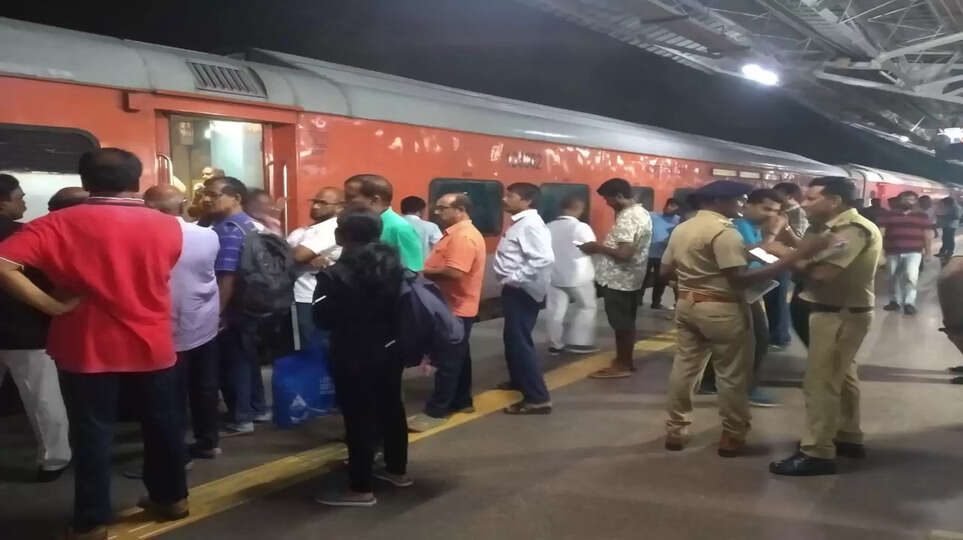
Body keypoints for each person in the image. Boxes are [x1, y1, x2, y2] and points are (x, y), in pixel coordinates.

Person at [0, 149, 188, 540]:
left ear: (85, 181)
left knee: (92, 435)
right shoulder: (167, 225)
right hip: (153, 343)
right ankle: (171, 500)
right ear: (136, 182)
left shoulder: (55, 224)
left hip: (85, 346)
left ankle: (91, 521)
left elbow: (3, 263)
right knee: (163, 426)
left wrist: (52, 306)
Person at [660, 180, 829, 457]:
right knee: (732, 375)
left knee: (685, 369)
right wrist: (784, 263)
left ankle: (676, 430)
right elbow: (738, 279)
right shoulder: (724, 232)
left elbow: (665, 272)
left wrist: (696, 281)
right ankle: (732, 434)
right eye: (737, 200)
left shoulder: (682, 228)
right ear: (717, 201)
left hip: (687, 306)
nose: (741, 205)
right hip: (722, 310)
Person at [770, 177, 881, 476]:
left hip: (838, 314)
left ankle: (817, 452)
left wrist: (785, 257)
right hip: (838, 312)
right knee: (842, 377)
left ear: (835, 201)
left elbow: (823, 274)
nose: (803, 204)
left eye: (811, 199)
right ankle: (847, 436)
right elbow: (813, 253)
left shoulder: (852, 230)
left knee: (820, 383)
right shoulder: (829, 229)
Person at [312, 206, 409, 507]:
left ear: (342, 235)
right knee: (392, 408)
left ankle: (360, 488)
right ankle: (397, 471)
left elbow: (322, 318)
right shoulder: (395, 266)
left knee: (358, 418)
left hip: (352, 352)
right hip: (390, 349)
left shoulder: (334, 274)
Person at [0, 174, 71, 483]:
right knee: (42, 399)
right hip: (25, 329)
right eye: (19, 197)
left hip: (19, 329)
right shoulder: (26, 235)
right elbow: (51, 280)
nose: (24, 202)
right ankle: (53, 460)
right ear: (3, 202)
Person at [144, 185, 222, 460]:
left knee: (169, 394)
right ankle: (208, 442)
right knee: (205, 386)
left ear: (150, 207)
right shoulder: (208, 235)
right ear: (182, 204)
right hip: (204, 321)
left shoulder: (146, 237)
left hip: (165, 326)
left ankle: (175, 454)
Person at [408, 193, 486, 432]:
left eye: (442, 208)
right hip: (453, 306)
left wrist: (421, 273)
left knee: (447, 360)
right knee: (459, 356)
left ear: (460, 209)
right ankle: (462, 401)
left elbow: (454, 273)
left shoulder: (463, 236)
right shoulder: (455, 233)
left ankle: (436, 411)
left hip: (454, 308)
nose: (436, 213)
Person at [201, 176, 270, 436]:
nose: (207, 199)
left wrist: (217, 313)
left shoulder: (229, 229)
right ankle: (258, 408)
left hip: (234, 305)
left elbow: (226, 276)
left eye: (214, 194)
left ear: (236, 198)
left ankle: (241, 418)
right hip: (253, 302)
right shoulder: (253, 224)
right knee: (247, 357)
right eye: (204, 194)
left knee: (234, 362)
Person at [578, 178, 652, 379]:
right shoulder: (641, 212)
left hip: (620, 280)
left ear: (619, 196)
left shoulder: (629, 217)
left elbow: (624, 253)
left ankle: (623, 364)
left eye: (608, 198)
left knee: (621, 324)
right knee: (626, 322)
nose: (606, 203)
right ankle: (624, 360)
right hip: (631, 279)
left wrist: (595, 247)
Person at [492, 182, 555, 414]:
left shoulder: (530, 225)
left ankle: (538, 398)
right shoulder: (522, 223)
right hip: (517, 289)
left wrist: (515, 277)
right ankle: (519, 380)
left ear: (527, 201)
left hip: (522, 291)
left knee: (520, 343)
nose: (505, 199)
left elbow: (544, 258)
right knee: (512, 339)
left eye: (511, 196)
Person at [289, 187, 344, 349]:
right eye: (314, 201)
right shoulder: (308, 230)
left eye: (323, 203)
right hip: (299, 295)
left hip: (312, 297)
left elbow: (297, 255)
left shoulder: (331, 228)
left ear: (340, 207)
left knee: (314, 346)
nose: (315, 206)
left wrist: (299, 256)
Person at [545, 194, 598, 355]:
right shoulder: (580, 227)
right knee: (587, 306)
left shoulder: (548, 226)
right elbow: (591, 247)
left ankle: (555, 345)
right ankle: (579, 342)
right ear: (578, 209)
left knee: (555, 310)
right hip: (578, 276)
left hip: (554, 275)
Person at [348, 174, 423, 271]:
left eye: (350, 197)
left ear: (374, 200)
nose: (345, 202)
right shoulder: (358, 224)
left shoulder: (400, 228)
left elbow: (413, 272)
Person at [879, 190, 932, 315]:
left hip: (914, 252)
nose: (909, 201)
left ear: (916, 201)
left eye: (912, 199)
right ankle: (894, 301)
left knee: (911, 277)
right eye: (906, 199)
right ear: (900, 200)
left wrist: (928, 252)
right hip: (892, 251)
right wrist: (880, 251)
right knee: (892, 277)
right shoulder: (889, 215)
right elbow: (881, 232)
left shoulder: (922, 216)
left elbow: (927, 235)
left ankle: (909, 303)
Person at [768, 182, 808, 350]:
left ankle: (780, 337)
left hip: (784, 258)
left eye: (777, 194)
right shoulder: (782, 212)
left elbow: (798, 237)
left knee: (778, 298)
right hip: (774, 257)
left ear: (789, 195)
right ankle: (775, 335)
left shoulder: (797, 212)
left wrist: (779, 230)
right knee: (772, 297)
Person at [645, 198, 681, 310]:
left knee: (661, 280)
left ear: (678, 209)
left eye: (673, 206)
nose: (669, 207)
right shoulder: (653, 216)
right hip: (648, 253)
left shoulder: (678, 220)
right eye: (669, 205)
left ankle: (656, 303)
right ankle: (637, 301)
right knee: (643, 278)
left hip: (664, 255)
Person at [400, 195, 442, 262]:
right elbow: (439, 248)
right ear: (421, 210)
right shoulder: (431, 226)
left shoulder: (392, 224)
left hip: (395, 269)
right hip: (422, 269)